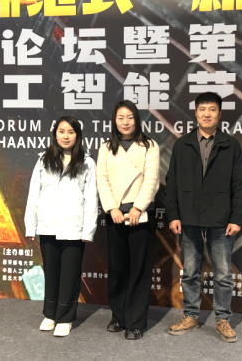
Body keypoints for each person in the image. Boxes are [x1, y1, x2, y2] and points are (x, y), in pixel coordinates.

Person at [165, 92, 242, 343]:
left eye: (212, 109)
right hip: (189, 218)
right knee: (190, 272)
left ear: (219, 114)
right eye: (202, 109)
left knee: (222, 274)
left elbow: (240, 185)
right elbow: (172, 183)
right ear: (195, 113)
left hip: (221, 220)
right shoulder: (182, 145)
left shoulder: (230, 145)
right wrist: (174, 215)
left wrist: (236, 218)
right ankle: (190, 315)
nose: (207, 114)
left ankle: (222, 319)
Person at [24, 116, 98, 337]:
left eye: (71, 132)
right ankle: (50, 314)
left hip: (74, 228)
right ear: (55, 134)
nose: (66, 136)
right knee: (51, 273)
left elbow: (91, 199)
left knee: (70, 275)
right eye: (62, 131)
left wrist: (88, 230)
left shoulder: (87, 163)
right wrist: (31, 226)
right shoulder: (43, 160)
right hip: (48, 226)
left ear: (78, 136)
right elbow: (34, 194)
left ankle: (65, 318)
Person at [96, 100, 160, 340]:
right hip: (115, 214)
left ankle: (135, 322)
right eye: (121, 117)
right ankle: (118, 316)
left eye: (130, 117)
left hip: (140, 215)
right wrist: (111, 208)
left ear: (137, 120)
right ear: (114, 121)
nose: (125, 122)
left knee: (139, 269)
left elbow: (151, 180)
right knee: (117, 267)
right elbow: (101, 179)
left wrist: (137, 207)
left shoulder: (149, 146)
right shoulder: (106, 147)